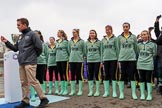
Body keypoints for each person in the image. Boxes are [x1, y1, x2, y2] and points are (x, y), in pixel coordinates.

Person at [1, 18, 49, 108]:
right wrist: (6, 42)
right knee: (23, 82)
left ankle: (43, 98)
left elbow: (39, 48)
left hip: (30, 62)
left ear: (24, 25)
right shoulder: (21, 37)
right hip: (22, 62)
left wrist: (33, 57)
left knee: (33, 81)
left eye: (18, 25)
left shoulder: (33, 35)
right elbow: (15, 48)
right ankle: (25, 101)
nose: (17, 27)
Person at [117, 22, 138, 100]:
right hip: (122, 59)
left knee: (132, 75)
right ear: (122, 28)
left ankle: (133, 93)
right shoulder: (119, 37)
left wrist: (133, 55)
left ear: (129, 27)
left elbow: (136, 48)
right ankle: (122, 93)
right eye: (124, 27)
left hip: (131, 59)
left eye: (127, 26)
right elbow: (118, 48)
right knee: (122, 75)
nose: (125, 28)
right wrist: (120, 56)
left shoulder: (134, 37)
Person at [137, 30, 157, 100]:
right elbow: (138, 52)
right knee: (141, 79)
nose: (143, 36)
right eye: (142, 35)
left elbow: (154, 54)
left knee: (148, 79)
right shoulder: (138, 45)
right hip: (140, 63)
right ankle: (142, 94)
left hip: (149, 64)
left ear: (148, 35)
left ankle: (149, 94)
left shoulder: (153, 44)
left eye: (145, 34)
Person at [101, 25, 118, 98]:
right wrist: (101, 61)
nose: (107, 31)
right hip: (105, 59)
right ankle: (106, 92)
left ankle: (114, 92)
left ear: (111, 30)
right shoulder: (103, 39)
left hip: (113, 59)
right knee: (106, 75)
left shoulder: (115, 38)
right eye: (106, 30)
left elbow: (117, 49)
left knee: (113, 74)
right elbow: (102, 51)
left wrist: (118, 59)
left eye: (109, 29)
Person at [68, 29, 85, 96]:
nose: (73, 33)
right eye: (72, 32)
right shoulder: (70, 41)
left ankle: (80, 90)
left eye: (74, 32)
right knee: (72, 75)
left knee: (79, 75)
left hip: (79, 60)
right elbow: (69, 50)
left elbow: (84, 51)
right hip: (72, 60)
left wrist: (81, 56)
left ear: (77, 33)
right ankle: (73, 90)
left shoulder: (82, 41)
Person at [85, 29, 101, 97]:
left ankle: (97, 91)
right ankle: (91, 91)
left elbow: (101, 51)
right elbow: (86, 52)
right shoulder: (87, 42)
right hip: (89, 60)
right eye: (90, 33)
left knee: (97, 75)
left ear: (95, 34)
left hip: (97, 60)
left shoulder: (99, 42)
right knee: (90, 75)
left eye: (93, 33)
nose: (92, 34)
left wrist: (101, 61)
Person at [56, 30, 69, 95]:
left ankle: (66, 89)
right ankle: (62, 89)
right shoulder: (57, 41)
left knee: (65, 74)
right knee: (60, 74)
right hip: (58, 59)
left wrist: (68, 59)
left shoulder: (66, 41)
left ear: (62, 33)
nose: (57, 34)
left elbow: (68, 50)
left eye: (58, 33)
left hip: (64, 59)